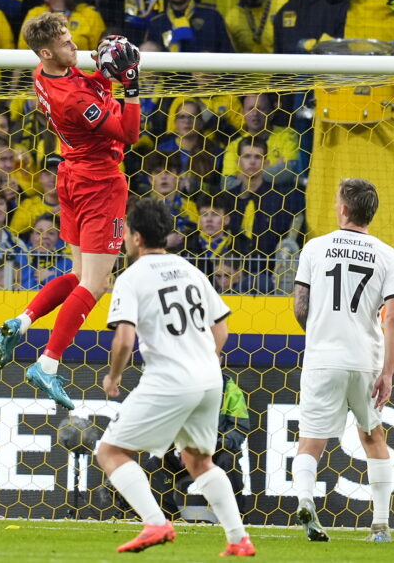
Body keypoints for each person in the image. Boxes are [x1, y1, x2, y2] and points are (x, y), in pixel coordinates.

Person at [0, 14, 141, 410]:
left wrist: (104, 69)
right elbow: (129, 133)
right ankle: (49, 363)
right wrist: (131, 85)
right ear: (47, 52)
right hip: (99, 184)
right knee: (95, 285)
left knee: (77, 274)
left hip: (70, 175)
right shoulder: (74, 101)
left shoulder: (43, 73)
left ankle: (21, 322)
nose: (75, 47)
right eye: (67, 43)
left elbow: (85, 80)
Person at [98, 197, 254, 557]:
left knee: (110, 451)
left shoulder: (131, 277)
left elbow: (124, 339)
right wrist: (205, 361)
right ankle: (238, 539)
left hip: (169, 378)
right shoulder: (191, 270)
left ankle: (154, 521)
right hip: (209, 379)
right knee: (200, 461)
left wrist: (113, 377)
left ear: (136, 237)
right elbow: (222, 329)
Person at [290, 178, 394, 543]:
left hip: (323, 357)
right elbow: (393, 318)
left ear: (343, 208)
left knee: (311, 440)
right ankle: (382, 525)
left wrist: (321, 328)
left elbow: (299, 306)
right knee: (373, 436)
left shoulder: (314, 248)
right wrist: (387, 372)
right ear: (371, 212)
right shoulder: (387, 255)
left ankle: (306, 501)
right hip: (365, 360)